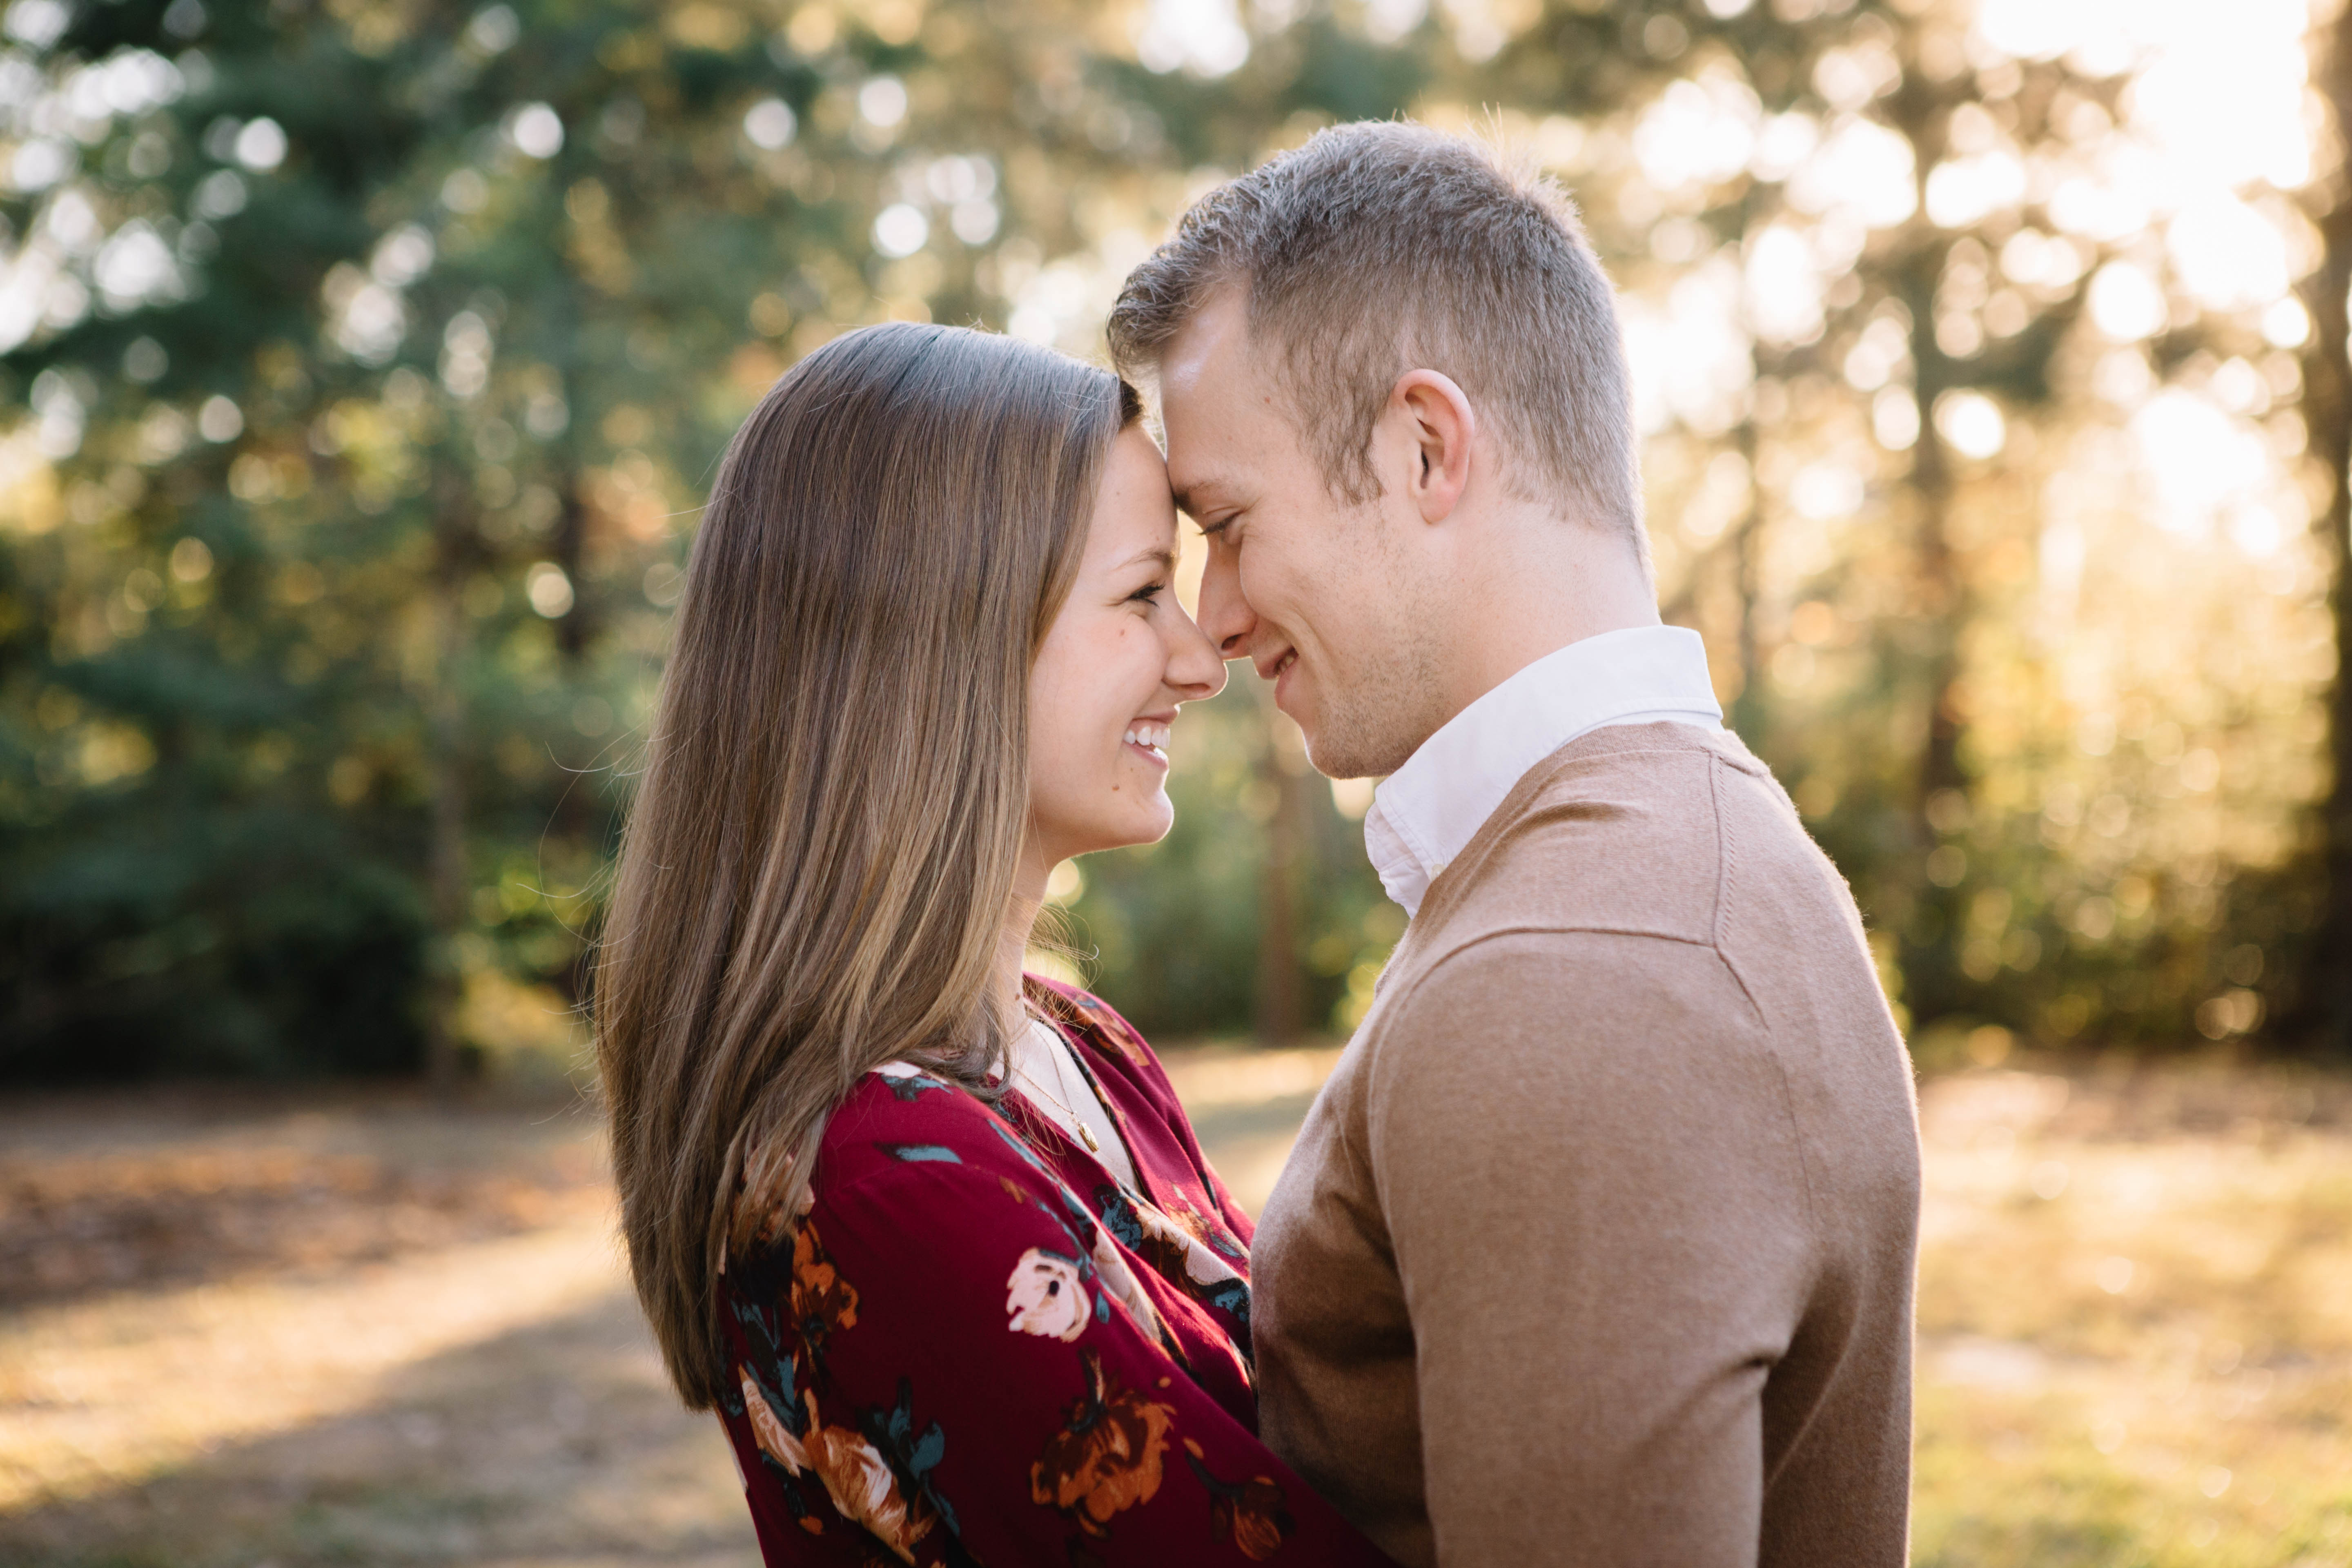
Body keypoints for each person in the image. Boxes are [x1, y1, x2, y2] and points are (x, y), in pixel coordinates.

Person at [1108, 121, 1924, 1567]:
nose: (1216, 615)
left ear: (1426, 446)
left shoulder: (1576, 974)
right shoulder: (1682, 855)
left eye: (1229, 524)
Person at [594, 322, 1396, 1567]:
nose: (1201, 657)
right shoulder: (886, 1187)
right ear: (942, 644)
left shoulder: (1083, 1044)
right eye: (1141, 595)